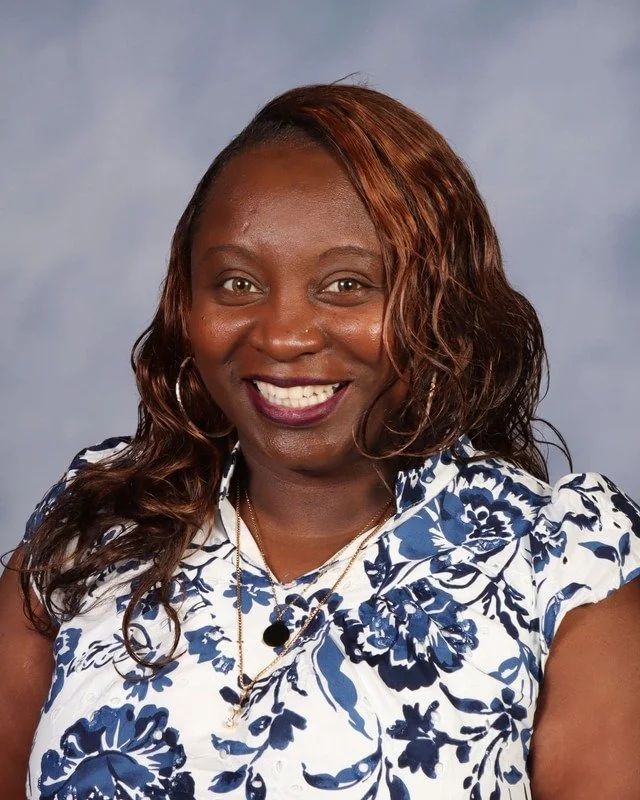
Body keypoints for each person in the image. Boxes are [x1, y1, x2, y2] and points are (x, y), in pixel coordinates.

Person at [1, 83, 639, 800]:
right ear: (186, 304)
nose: (281, 335)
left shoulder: (563, 571)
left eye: (345, 285)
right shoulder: (95, 533)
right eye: (237, 282)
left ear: (441, 300)